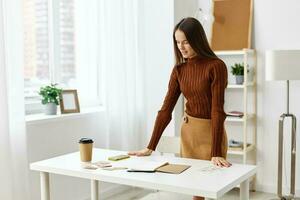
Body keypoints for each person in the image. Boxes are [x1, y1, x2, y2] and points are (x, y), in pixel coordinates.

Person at [128, 17, 231, 200]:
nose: (181, 47)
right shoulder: (179, 70)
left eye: (186, 42)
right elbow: (166, 110)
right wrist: (150, 146)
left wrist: (216, 151)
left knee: (210, 185)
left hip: (210, 132)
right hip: (189, 133)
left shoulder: (216, 66)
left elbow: (217, 110)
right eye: (177, 42)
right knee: (194, 186)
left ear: (197, 40)